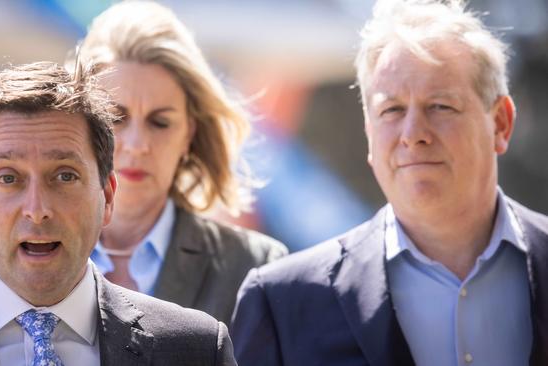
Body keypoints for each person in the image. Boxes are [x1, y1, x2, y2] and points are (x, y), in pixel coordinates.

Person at [231, 1, 548, 365]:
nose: (413, 134)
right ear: (369, 132)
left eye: (441, 106)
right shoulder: (281, 302)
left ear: (501, 123)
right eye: (391, 110)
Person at [0, 62, 236, 366]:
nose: (38, 210)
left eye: (64, 176)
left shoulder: (195, 350)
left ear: (107, 195)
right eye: (8, 178)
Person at [77, 1, 288, 325]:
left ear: (189, 133)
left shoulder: (254, 268)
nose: (137, 145)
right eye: (115, 118)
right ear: (80, 124)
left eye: (160, 122)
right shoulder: (33, 252)